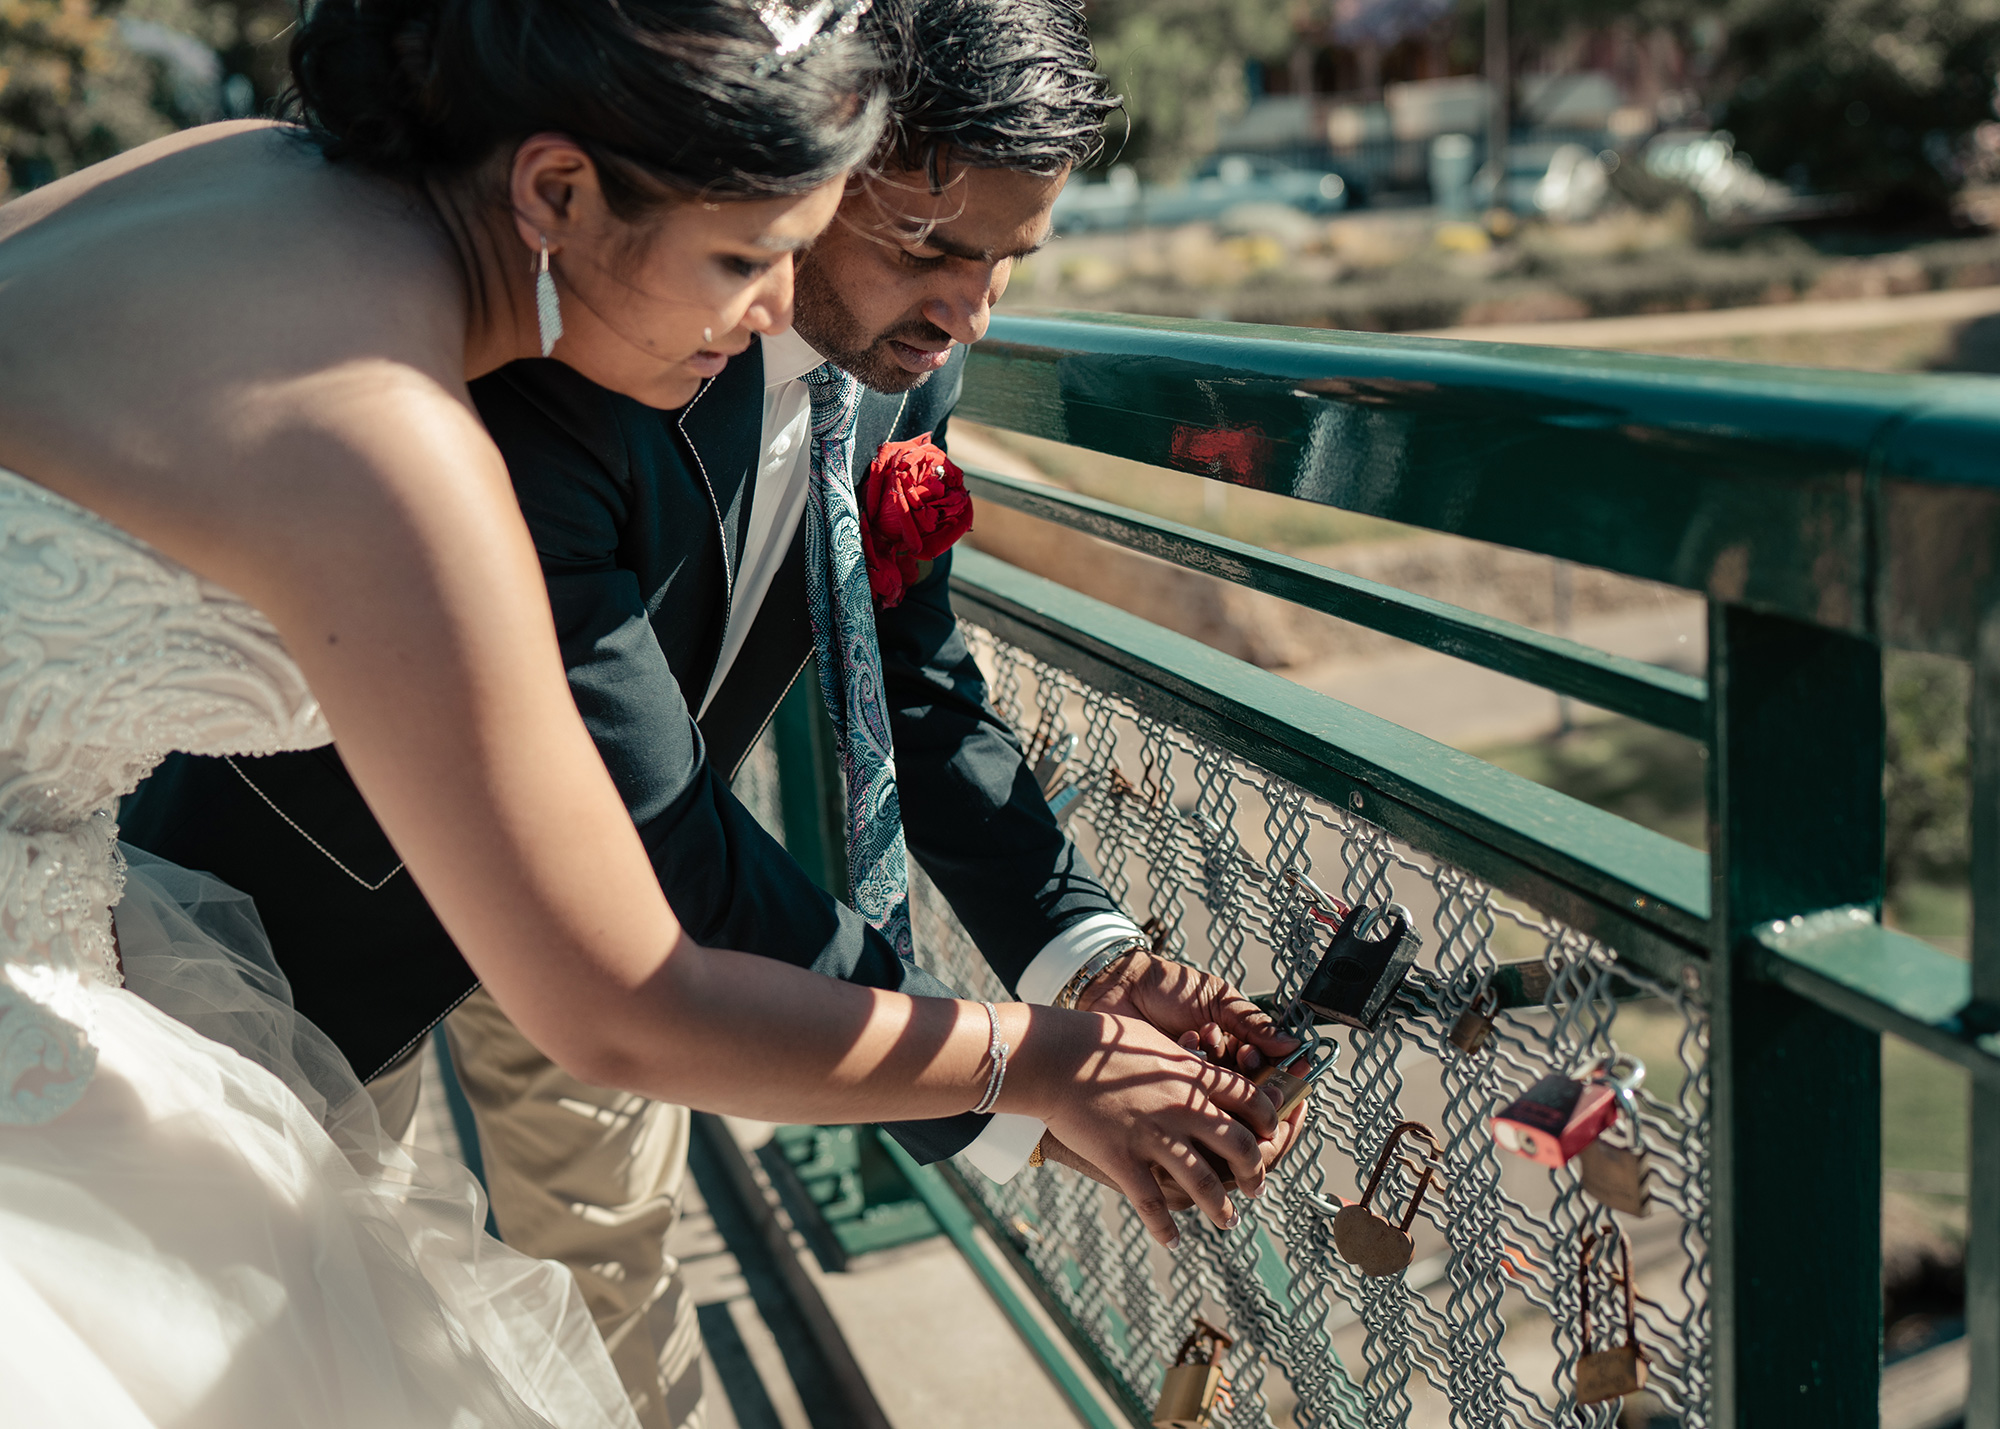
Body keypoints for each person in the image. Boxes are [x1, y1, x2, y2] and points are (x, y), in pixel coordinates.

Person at [0, 2, 1283, 1424]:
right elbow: (624, 994)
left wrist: (1077, 969)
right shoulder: (422, 428)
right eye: (753, 256)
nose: (773, 311)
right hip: (282, 932)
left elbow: (899, 680)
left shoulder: (252, 169)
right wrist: (1026, 1065)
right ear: (557, 190)